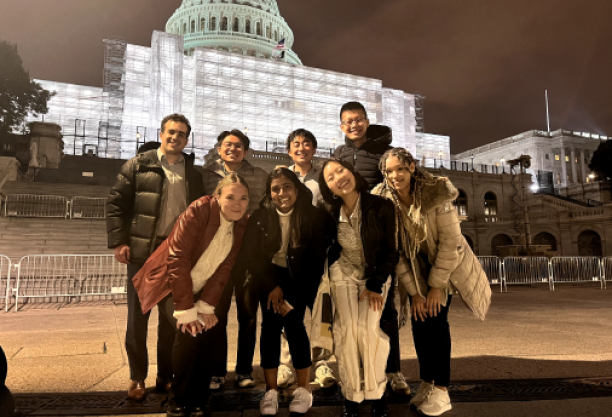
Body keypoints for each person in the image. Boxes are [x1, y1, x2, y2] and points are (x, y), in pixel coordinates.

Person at [373, 148, 492, 416]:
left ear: (412, 167)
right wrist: (416, 293)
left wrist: (437, 286)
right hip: (415, 269)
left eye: (400, 169)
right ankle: (426, 383)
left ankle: (442, 390)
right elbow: (397, 253)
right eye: (389, 171)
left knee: (436, 323)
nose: (395, 176)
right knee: (420, 321)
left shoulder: (436, 194)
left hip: (446, 264)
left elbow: (451, 243)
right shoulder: (384, 201)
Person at [131, 173, 250, 417]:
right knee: (188, 332)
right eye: (230, 197)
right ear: (217, 197)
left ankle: (198, 399)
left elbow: (225, 267)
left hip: (200, 286)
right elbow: (178, 259)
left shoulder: (241, 222)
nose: (237, 203)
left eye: (243, 198)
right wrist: (186, 310)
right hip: (169, 284)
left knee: (208, 332)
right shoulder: (199, 210)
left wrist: (207, 306)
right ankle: (178, 399)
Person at [106, 114, 205, 400]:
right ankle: (137, 377)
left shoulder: (192, 172)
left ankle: (165, 375)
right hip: (142, 252)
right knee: (138, 318)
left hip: (176, 255)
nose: (176, 138)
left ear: (187, 139)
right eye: (171, 132)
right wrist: (119, 241)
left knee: (171, 318)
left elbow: (199, 214)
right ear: (161, 134)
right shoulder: (139, 165)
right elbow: (115, 203)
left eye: (182, 134)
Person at [238, 168, 330, 415]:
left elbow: (315, 263)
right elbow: (253, 257)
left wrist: (294, 298)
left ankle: (304, 388)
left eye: (287, 186)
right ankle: (270, 391)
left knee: (295, 325)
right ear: (269, 193)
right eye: (275, 189)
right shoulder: (260, 216)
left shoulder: (312, 216)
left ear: (297, 188)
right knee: (269, 327)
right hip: (269, 277)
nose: (282, 193)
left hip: (299, 277)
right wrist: (271, 286)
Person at [333, 101, 408, 395]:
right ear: (342, 126)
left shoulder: (384, 152)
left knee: (384, 306)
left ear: (366, 121)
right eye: (347, 122)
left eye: (358, 120)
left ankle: (393, 371)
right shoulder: (339, 153)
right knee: (353, 312)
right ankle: (363, 370)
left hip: (377, 235)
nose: (353, 125)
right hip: (349, 237)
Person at [318, 159, 399, 417]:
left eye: (340, 170)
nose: (338, 177)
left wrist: (376, 284)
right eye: (331, 177)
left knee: (367, 330)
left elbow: (391, 251)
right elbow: (328, 247)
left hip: (375, 277)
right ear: (328, 188)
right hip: (343, 273)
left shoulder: (382, 206)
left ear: (351, 172)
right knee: (346, 330)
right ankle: (351, 395)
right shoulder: (330, 212)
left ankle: (376, 393)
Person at [202, 130, 267, 389]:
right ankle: (216, 370)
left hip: (248, 253)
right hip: (217, 253)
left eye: (239, 146)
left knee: (248, 314)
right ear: (219, 149)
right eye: (228, 145)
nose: (233, 149)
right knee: (216, 313)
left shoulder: (259, 175)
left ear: (246, 151)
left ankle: (244, 371)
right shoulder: (206, 175)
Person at [277, 129, 337, 390]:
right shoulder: (283, 175)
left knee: (321, 306)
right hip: (288, 249)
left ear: (314, 149)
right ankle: (286, 364)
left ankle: (322, 361)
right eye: (296, 144)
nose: (301, 148)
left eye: (307, 144)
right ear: (289, 150)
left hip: (317, 250)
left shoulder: (323, 177)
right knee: (287, 306)